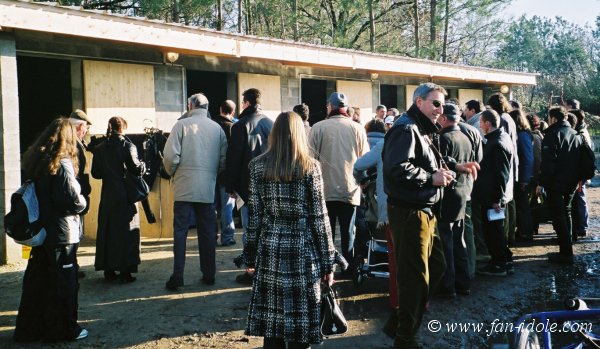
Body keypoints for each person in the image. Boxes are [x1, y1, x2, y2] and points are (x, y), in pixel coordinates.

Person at [382, 83, 479, 348]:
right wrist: (431, 178)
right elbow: (396, 168)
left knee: (436, 267)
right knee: (415, 278)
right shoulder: (406, 128)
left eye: (443, 105)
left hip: (424, 210)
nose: (441, 109)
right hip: (410, 211)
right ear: (419, 102)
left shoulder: (420, 127)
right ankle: (405, 338)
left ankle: (400, 323)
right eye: (435, 103)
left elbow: (431, 160)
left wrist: (455, 167)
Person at [240, 111, 336, 349]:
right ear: (300, 134)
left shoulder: (257, 166)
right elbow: (320, 219)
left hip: (271, 248)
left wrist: (250, 255)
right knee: (300, 324)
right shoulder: (310, 167)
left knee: (273, 322)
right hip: (303, 251)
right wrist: (328, 263)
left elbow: (255, 217)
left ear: (274, 135)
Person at [14, 118, 88, 342]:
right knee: (63, 283)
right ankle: (64, 330)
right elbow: (71, 199)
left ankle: (30, 329)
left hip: (43, 230)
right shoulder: (63, 162)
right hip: (62, 232)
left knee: (39, 281)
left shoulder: (38, 161)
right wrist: (83, 202)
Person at [163, 93, 227, 289]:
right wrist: (211, 174)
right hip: (207, 187)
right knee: (208, 232)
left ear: (190, 106)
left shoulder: (181, 125)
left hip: (184, 185)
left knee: (180, 231)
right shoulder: (217, 128)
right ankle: (209, 274)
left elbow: (170, 157)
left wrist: (173, 173)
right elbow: (223, 159)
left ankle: (178, 276)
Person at [309, 92, 369, 277]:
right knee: (348, 233)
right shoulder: (357, 128)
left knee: (324, 233)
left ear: (329, 107)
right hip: (349, 189)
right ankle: (349, 269)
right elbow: (364, 160)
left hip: (323, 191)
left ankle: (326, 270)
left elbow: (310, 160)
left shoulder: (318, 127)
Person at [226, 88, 274, 284]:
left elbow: (234, 160)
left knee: (249, 231)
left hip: (248, 188)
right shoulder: (271, 124)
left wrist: (230, 186)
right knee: (268, 230)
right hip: (271, 186)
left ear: (245, 103)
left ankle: (252, 271)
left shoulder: (240, 126)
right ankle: (268, 269)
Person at [92, 116, 146, 284]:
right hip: (125, 196)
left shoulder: (100, 148)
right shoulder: (128, 146)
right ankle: (125, 272)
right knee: (127, 233)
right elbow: (136, 169)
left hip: (108, 195)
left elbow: (96, 173)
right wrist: (143, 165)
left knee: (108, 231)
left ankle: (108, 270)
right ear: (123, 128)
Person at [435, 103, 475, 297]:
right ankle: (463, 283)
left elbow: (442, 165)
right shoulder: (466, 137)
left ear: (444, 118)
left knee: (447, 243)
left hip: (449, 196)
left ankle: (448, 286)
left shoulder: (444, 138)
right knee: (459, 241)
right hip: (463, 193)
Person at [538, 106, 584, 264]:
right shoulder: (575, 134)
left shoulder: (552, 134)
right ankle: (567, 247)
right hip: (571, 181)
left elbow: (548, 163)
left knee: (558, 216)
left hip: (556, 182)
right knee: (567, 212)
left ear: (553, 118)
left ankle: (565, 253)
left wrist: (542, 182)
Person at [473, 109, 514, 276]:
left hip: (492, 197)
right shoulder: (498, 138)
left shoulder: (497, 143)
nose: (480, 125)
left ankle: (499, 264)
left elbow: (501, 174)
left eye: (481, 122)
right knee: (494, 230)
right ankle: (504, 259)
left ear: (488, 124)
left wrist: (497, 198)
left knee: (493, 231)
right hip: (491, 195)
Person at [69, 110, 93, 279]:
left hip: (76, 190)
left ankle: (72, 265)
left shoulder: (75, 141)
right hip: (75, 192)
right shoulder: (73, 144)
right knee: (74, 231)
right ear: (79, 126)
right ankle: (72, 266)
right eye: (85, 128)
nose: (86, 132)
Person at [213, 100, 237, 246]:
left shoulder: (211, 125)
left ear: (220, 109)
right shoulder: (233, 128)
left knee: (211, 207)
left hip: (210, 172)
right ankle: (227, 238)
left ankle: (211, 237)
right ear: (233, 112)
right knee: (227, 206)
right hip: (227, 174)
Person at [509, 109, 534, 242]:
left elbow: (527, 159)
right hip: (521, 176)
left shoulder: (523, 135)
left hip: (522, 177)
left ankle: (526, 232)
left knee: (523, 206)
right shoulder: (523, 134)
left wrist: (524, 179)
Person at [569, 108, 593, 239]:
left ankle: (582, 226)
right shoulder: (582, 131)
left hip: (580, 172)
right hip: (582, 171)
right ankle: (581, 226)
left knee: (579, 198)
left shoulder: (581, 133)